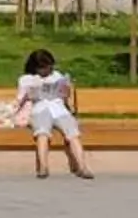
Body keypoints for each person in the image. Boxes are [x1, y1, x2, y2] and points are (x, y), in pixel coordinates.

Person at [16, 48, 90, 180]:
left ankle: (82, 166)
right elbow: (20, 100)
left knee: (73, 133)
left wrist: (66, 92)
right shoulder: (26, 79)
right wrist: (29, 95)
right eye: (44, 68)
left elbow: (65, 97)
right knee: (42, 133)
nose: (48, 71)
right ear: (36, 67)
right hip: (40, 109)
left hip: (59, 109)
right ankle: (43, 167)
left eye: (50, 67)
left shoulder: (57, 76)